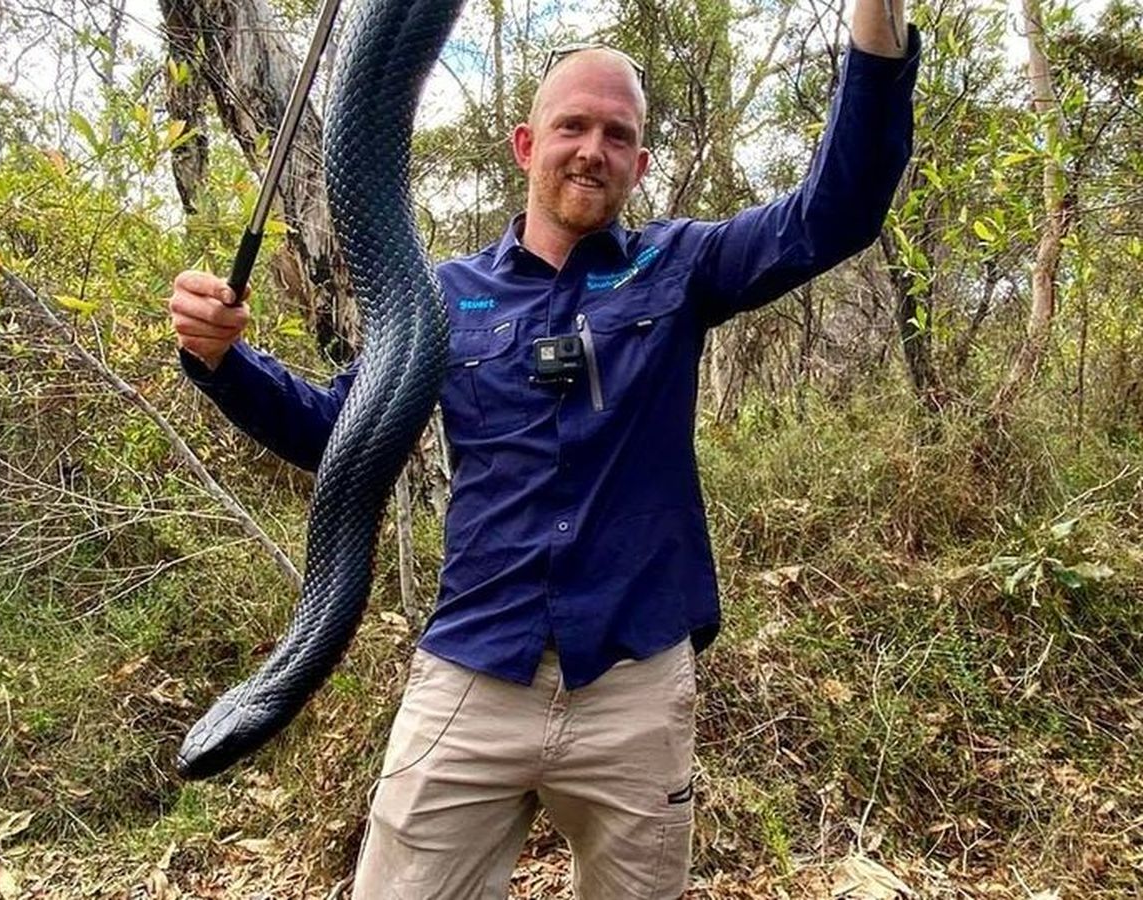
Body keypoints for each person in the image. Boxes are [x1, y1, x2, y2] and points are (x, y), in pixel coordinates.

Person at [168, 1, 917, 895]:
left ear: (640, 164)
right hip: (471, 676)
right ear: (526, 146)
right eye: (573, 126)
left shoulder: (679, 267)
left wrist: (877, 22)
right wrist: (222, 360)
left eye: (617, 134)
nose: (592, 149)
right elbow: (338, 431)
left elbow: (837, 212)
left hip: (633, 685)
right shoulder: (438, 298)